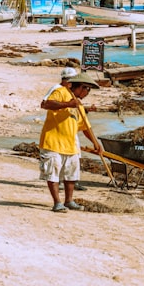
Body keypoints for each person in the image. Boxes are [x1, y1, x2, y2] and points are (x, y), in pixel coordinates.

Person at [39, 72, 103, 213]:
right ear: (81, 87)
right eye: (87, 89)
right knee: (52, 173)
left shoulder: (78, 104)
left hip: (70, 144)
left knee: (71, 174)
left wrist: (96, 143)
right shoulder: (61, 92)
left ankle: (69, 200)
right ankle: (57, 202)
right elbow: (46, 104)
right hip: (52, 141)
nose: (88, 93)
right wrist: (68, 104)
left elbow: (85, 126)